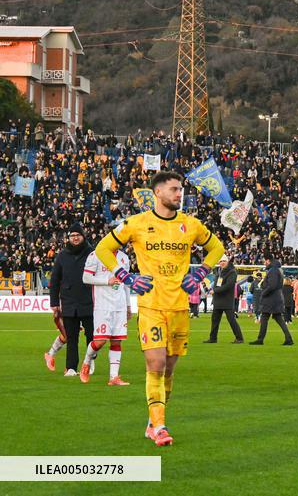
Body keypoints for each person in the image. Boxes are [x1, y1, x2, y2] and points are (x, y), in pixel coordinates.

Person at [93, 170, 225, 447]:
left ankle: (153, 420)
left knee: (169, 369)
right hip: (151, 305)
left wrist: (201, 272)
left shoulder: (191, 224)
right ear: (158, 193)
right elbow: (103, 249)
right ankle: (160, 427)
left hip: (179, 307)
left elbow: (217, 248)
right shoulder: (136, 223)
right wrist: (126, 276)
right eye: (175, 189)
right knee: (156, 363)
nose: (180, 194)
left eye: (181, 190)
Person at [45, 223, 94, 377]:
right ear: (69, 238)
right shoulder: (62, 255)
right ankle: (71, 368)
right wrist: (54, 303)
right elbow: (55, 279)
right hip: (68, 302)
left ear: (83, 236)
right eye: (72, 236)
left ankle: (89, 362)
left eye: (77, 235)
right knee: (71, 337)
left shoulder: (92, 253)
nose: (75, 238)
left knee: (91, 336)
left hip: (89, 301)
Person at [80, 245, 132, 385]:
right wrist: (106, 281)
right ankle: (86, 362)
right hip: (102, 306)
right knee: (101, 341)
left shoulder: (124, 258)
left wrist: (128, 306)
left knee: (117, 341)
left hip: (119, 305)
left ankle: (113, 377)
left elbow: (126, 285)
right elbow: (86, 278)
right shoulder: (95, 255)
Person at [249, 254, 294, 346]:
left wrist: (264, 292)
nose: (264, 263)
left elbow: (272, 285)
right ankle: (288, 338)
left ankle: (260, 339)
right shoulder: (277, 270)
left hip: (271, 298)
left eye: (265, 261)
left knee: (265, 317)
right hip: (276, 298)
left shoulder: (273, 270)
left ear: (268, 261)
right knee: (277, 318)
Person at [204, 255, 244, 344]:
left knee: (231, 320)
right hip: (218, 300)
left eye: (224, 261)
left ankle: (239, 338)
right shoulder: (220, 271)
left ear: (227, 262)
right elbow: (218, 284)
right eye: (220, 261)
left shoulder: (232, 272)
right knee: (214, 320)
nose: (222, 263)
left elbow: (228, 286)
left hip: (227, 300)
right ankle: (213, 338)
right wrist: (214, 291)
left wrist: (215, 291)